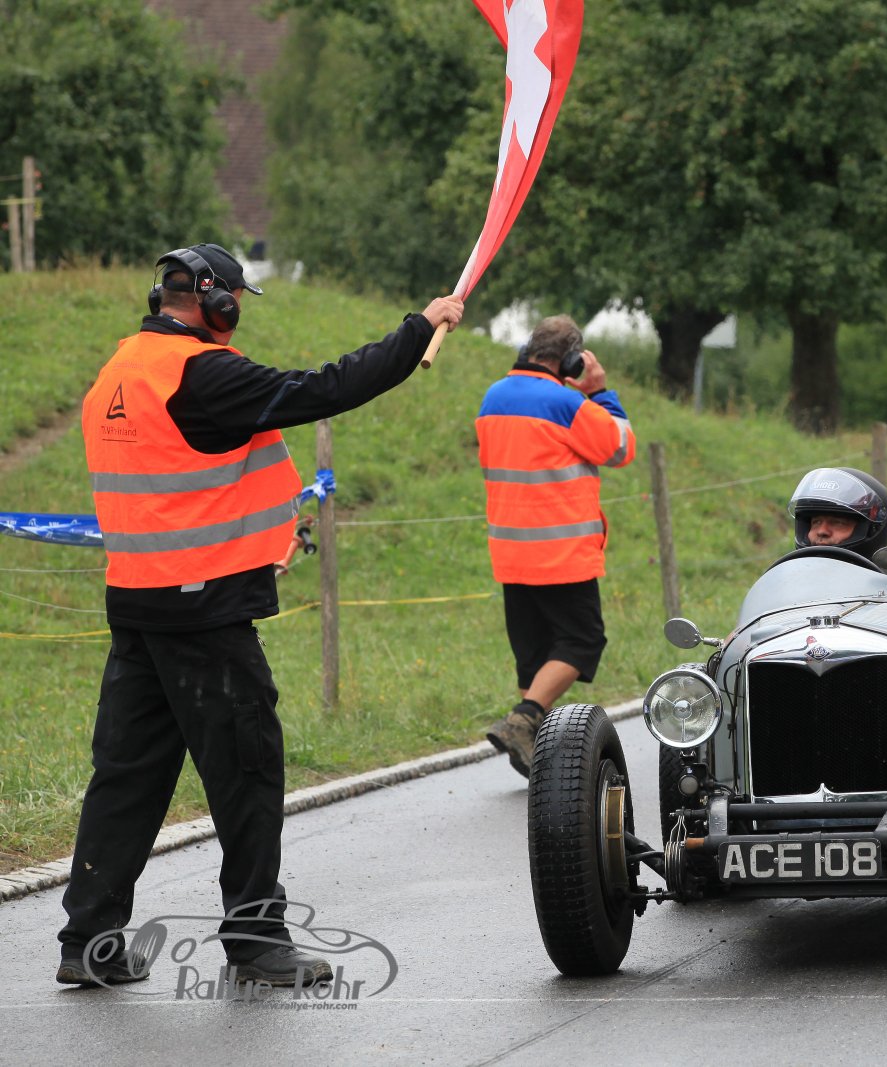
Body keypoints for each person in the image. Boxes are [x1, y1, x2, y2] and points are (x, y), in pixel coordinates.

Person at [61, 243, 465, 987]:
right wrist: (418, 330)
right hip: (203, 610)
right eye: (236, 300)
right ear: (214, 301)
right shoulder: (204, 374)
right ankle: (256, 941)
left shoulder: (121, 368)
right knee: (248, 771)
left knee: (126, 777)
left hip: (138, 603)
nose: (238, 312)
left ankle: (88, 940)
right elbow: (325, 387)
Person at [478, 315, 635, 779]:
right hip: (561, 552)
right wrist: (600, 393)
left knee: (534, 653)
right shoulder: (567, 403)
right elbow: (620, 447)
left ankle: (534, 750)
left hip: (510, 548)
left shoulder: (493, 397)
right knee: (582, 640)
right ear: (571, 360)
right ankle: (523, 719)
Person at [786, 467, 887, 557]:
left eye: (837, 523)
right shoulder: (791, 574)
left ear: (871, 529)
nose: (822, 531)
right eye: (816, 522)